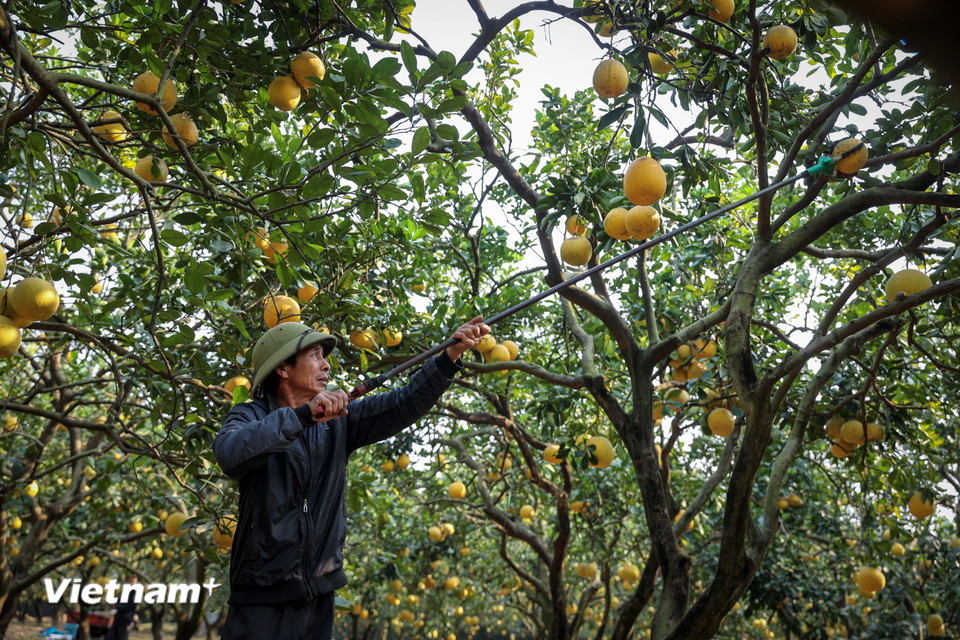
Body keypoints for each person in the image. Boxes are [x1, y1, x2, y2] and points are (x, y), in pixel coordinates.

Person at [213, 316, 489, 640]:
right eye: (315, 355)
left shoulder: (339, 421)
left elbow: (404, 402)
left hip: (319, 596)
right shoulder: (249, 416)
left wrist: (449, 357)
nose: (325, 365)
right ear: (282, 368)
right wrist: (304, 416)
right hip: (261, 601)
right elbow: (231, 454)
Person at [105, 576, 138, 640]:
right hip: (118, 618)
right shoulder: (125, 590)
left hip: (125, 620)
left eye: (133, 578)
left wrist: (117, 606)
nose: (131, 579)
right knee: (112, 637)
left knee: (122, 637)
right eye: (130, 578)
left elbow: (130, 606)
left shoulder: (134, 592)